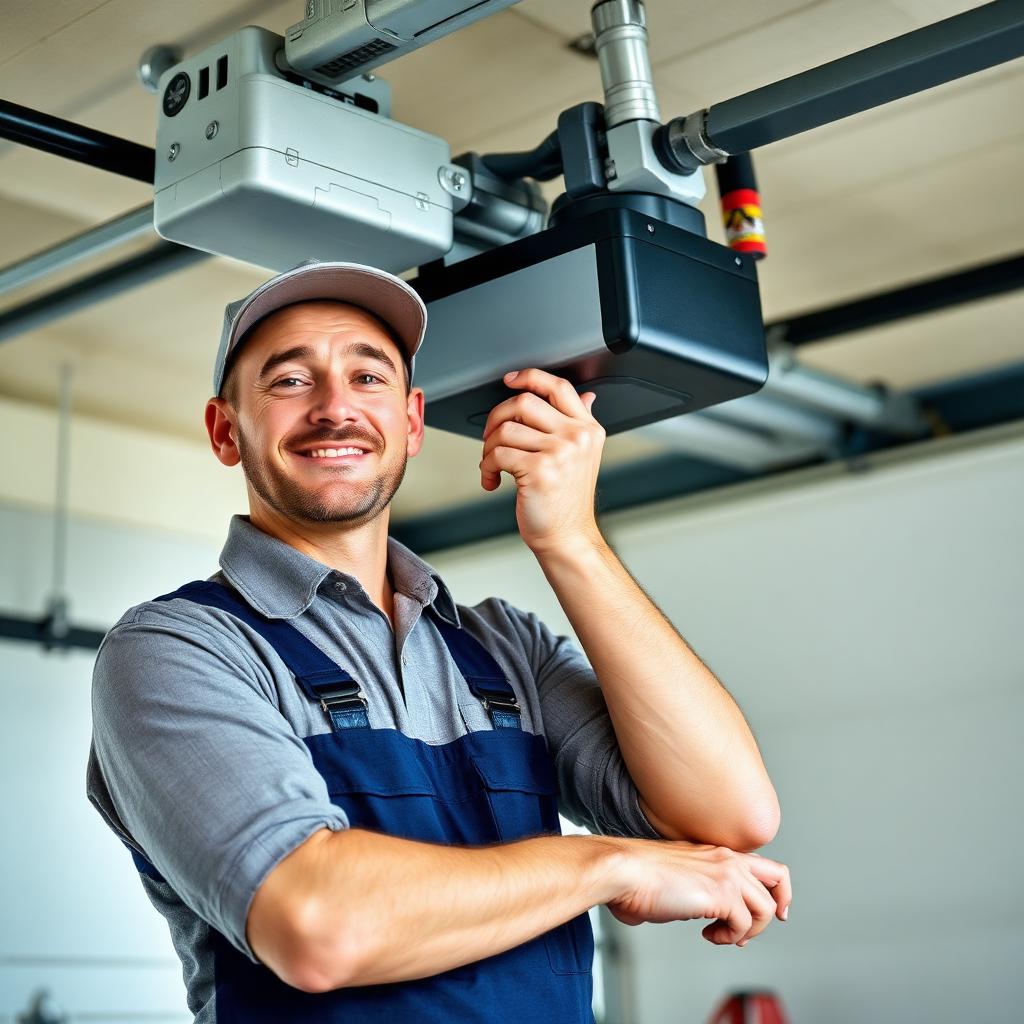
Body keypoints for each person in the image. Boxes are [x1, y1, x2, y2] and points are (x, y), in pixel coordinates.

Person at [87, 260, 791, 1023]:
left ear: (413, 422)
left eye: (368, 377)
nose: (335, 408)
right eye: (290, 381)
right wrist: (610, 864)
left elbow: (729, 818)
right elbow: (317, 924)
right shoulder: (178, 649)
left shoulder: (503, 649)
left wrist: (573, 542)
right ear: (227, 431)